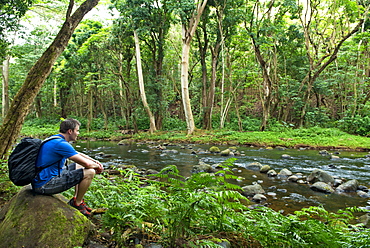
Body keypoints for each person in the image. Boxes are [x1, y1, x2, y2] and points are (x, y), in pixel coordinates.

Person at [32, 118, 104, 217]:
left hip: (43, 179)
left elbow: (78, 154)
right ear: (70, 131)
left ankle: (77, 200)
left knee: (79, 166)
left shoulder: (55, 139)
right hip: (44, 185)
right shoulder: (61, 144)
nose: (78, 133)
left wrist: (95, 162)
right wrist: (97, 167)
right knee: (90, 172)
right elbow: (87, 165)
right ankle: (77, 203)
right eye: (77, 130)